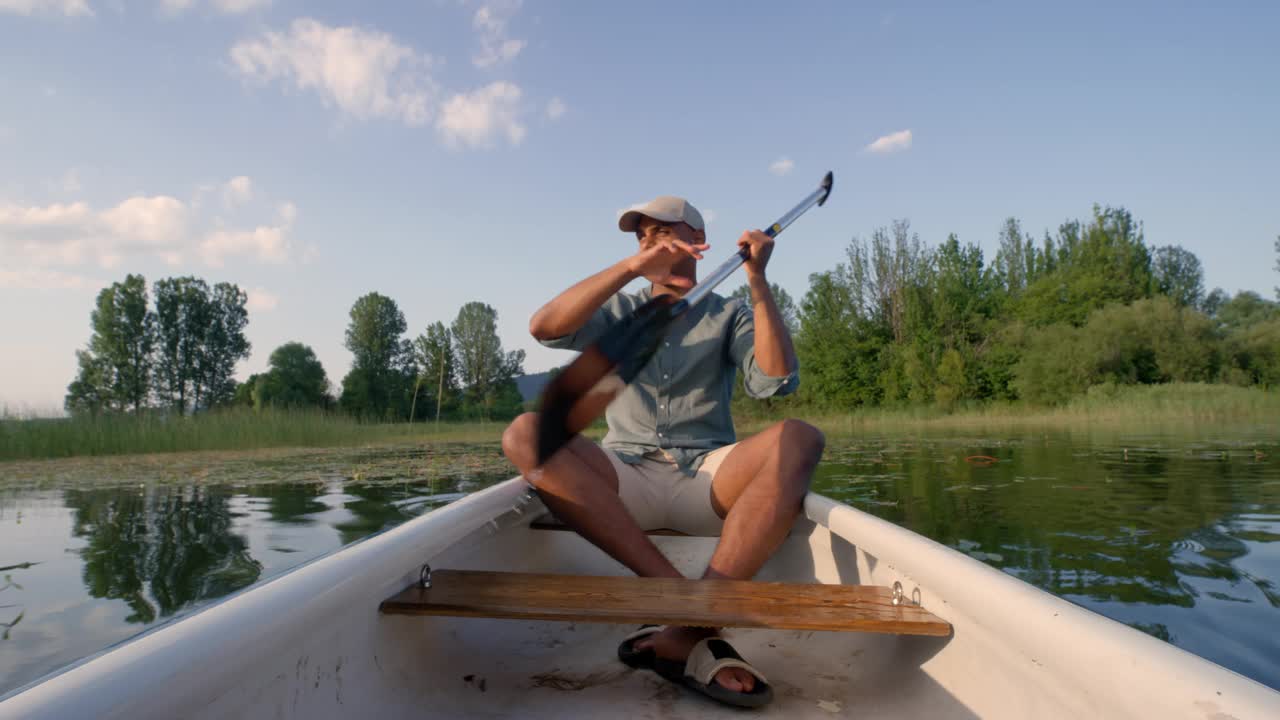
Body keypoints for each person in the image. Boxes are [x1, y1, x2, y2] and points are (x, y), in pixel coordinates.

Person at [500, 194, 825, 708]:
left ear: (696, 243)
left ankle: (685, 622)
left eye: (660, 231)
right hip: (623, 473)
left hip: (707, 475)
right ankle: (687, 610)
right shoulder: (619, 310)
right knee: (524, 433)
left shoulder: (730, 312)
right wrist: (631, 269)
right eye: (641, 235)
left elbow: (776, 381)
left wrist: (758, 283)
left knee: (800, 436)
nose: (648, 240)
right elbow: (545, 328)